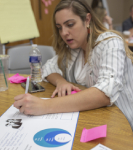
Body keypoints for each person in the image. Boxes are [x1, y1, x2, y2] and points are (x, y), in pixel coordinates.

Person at [13, 0, 133, 130]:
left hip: (122, 124)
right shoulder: (75, 48)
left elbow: (104, 93)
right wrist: (61, 82)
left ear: (87, 20)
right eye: (60, 27)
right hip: (95, 118)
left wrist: (44, 105)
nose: (64, 32)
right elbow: (48, 68)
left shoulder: (110, 43)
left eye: (70, 24)